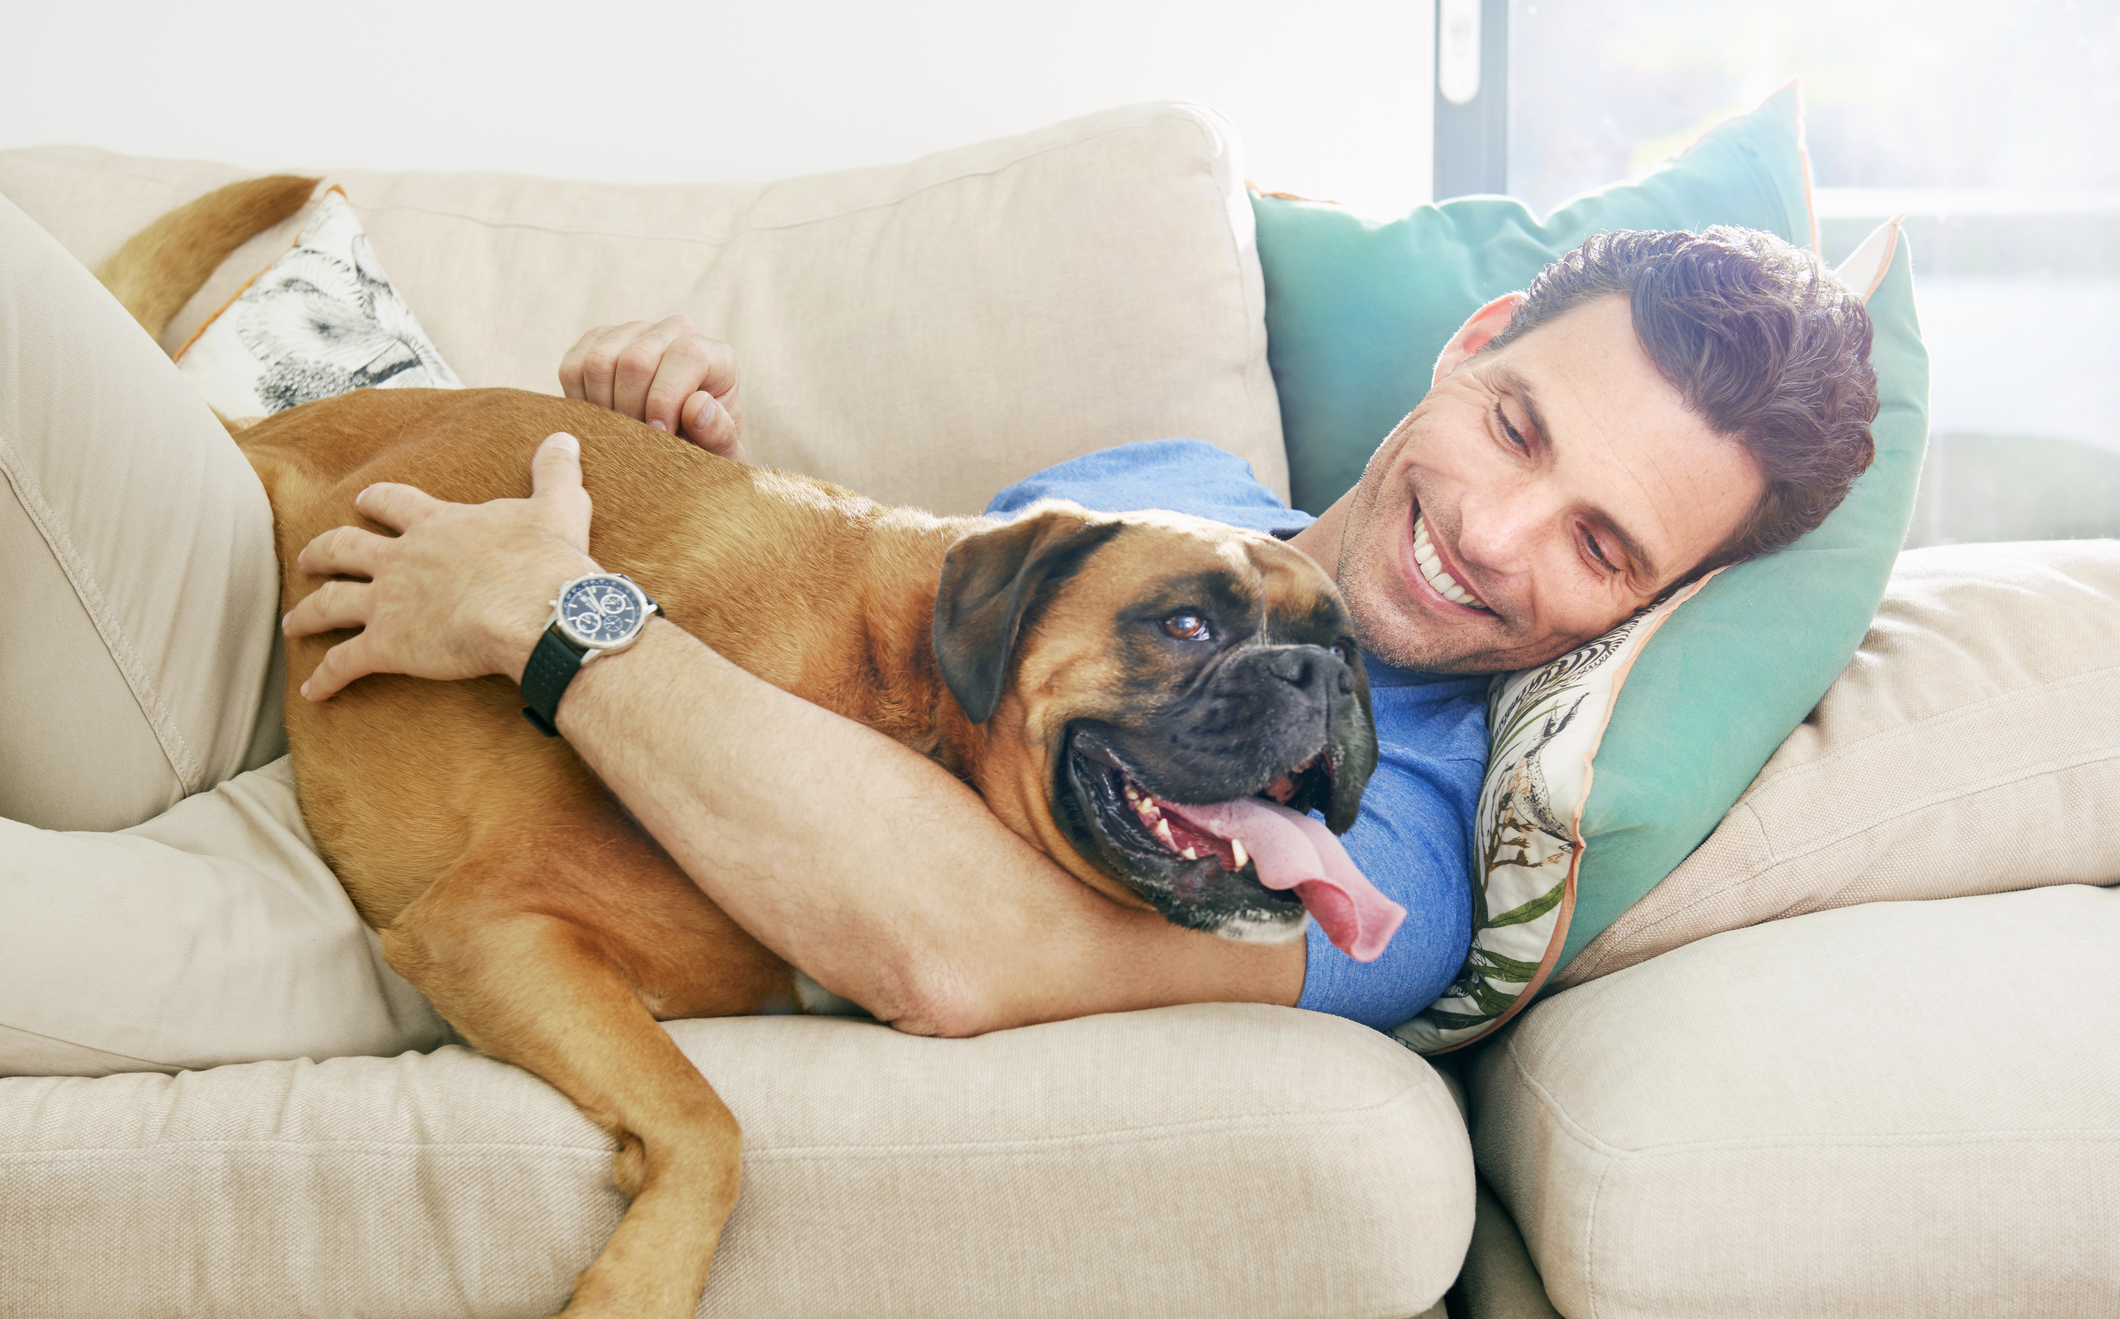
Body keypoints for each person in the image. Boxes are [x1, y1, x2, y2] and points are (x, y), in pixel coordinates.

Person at [278, 225, 1880, 1040]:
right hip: (405, 670)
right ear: (1471, 348)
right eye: (1519, 430)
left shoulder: (1400, 855)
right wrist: (666, 483)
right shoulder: (1155, 488)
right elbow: (888, 696)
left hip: (425, 858)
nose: (1492, 535)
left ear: (1649, 608)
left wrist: (571, 611)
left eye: (1601, 545)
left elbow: (950, 937)